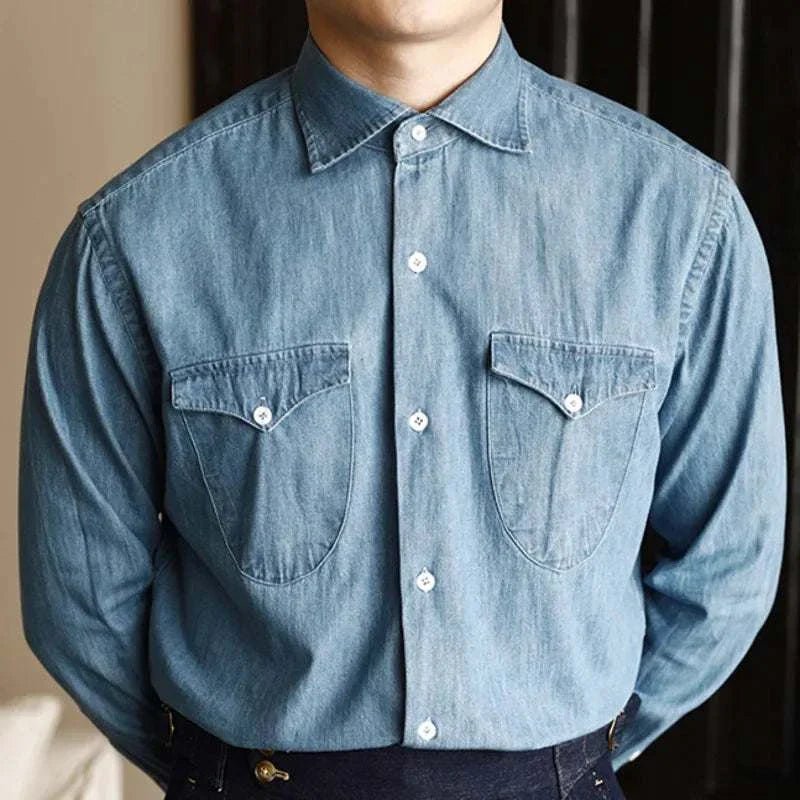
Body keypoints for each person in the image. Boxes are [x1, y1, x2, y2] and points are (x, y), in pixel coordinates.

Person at [17, 1, 786, 798]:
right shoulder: (132, 236)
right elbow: (79, 602)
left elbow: (728, 566)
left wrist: (571, 762)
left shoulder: (681, 216)